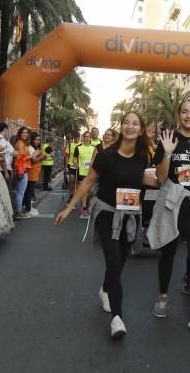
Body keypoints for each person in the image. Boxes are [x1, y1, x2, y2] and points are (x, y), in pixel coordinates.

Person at [56, 111, 158, 338]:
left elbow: (148, 179)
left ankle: (105, 289)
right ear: (121, 127)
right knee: (114, 262)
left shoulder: (143, 156)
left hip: (130, 216)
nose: (130, 127)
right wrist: (69, 207)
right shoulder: (107, 155)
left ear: (141, 130)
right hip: (106, 214)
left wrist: (164, 168)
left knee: (120, 262)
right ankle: (117, 318)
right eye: (126, 123)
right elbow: (88, 182)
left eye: (135, 124)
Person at [148, 99, 190, 332]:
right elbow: (160, 178)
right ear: (179, 114)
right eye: (185, 112)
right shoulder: (168, 140)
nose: (189, 116)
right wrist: (167, 153)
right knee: (168, 253)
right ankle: (162, 296)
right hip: (173, 203)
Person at [70, 130, 97, 218]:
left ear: (90, 138)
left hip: (92, 173)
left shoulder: (94, 148)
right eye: (86, 136)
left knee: (91, 192)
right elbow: (74, 158)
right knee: (84, 191)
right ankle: (84, 208)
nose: (87, 138)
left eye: (89, 136)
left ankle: (87, 202)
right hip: (82, 172)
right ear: (83, 137)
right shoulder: (78, 147)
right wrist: (75, 163)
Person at [13, 126, 33, 219]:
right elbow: (20, 158)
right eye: (23, 133)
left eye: (26, 133)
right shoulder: (20, 143)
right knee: (20, 192)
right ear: (20, 134)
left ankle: (18, 211)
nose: (25, 134)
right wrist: (32, 155)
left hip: (23, 169)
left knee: (20, 191)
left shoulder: (21, 143)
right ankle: (18, 212)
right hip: (22, 169)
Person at [23, 131, 45, 215]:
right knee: (29, 191)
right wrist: (41, 157)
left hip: (35, 172)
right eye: (36, 139)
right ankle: (28, 208)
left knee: (30, 190)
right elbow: (32, 161)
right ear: (32, 139)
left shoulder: (34, 148)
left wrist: (41, 157)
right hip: (31, 172)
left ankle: (27, 206)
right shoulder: (30, 148)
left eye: (39, 140)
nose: (37, 141)